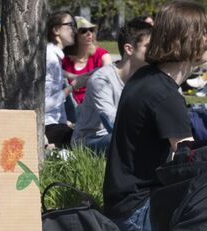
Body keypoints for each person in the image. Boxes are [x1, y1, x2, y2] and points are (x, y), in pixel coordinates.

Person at [103, 0, 206, 231]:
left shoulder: (146, 78)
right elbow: (190, 165)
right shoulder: (165, 95)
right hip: (136, 212)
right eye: (204, 32)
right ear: (187, 38)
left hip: (123, 205)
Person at [72, 18, 153, 153]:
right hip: (89, 141)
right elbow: (112, 123)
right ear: (129, 49)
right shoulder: (102, 80)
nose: (156, 52)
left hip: (121, 134)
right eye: (149, 46)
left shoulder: (146, 78)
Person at [44, 11, 88, 148]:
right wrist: (73, 87)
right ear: (56, 30)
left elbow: (54, 74)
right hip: (48, 125)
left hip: (57, 123)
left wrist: (71, 76)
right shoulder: (50, 57)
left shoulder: (53, 56)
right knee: (88, 142)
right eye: (70, 25)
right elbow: (43, 105)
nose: (74, 30)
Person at [63, 16, 113, 105]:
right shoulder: (65, 59)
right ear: (74, 34)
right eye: (83, 31)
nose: (89, 33)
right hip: (70, 104)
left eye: (91, 30)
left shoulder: (101, 54)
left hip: (94, 104)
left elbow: (109, 71)